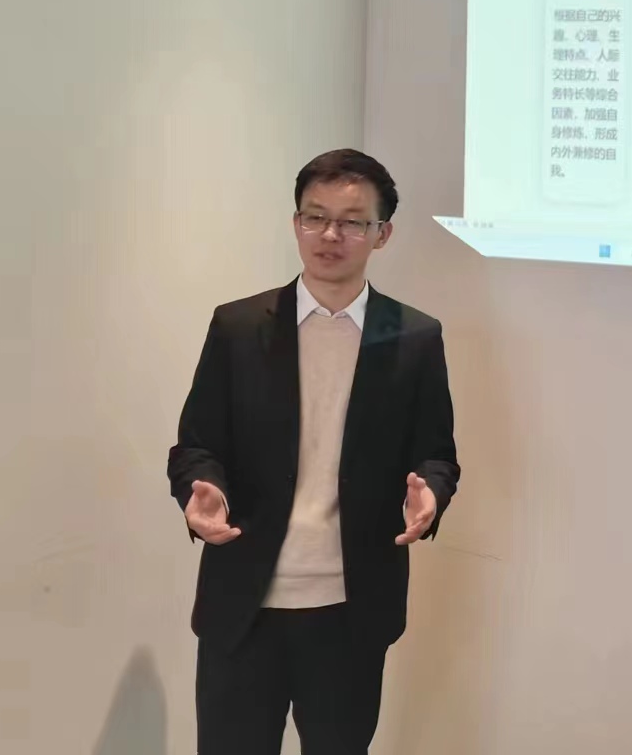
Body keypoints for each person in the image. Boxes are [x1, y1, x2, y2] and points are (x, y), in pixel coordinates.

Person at [168, 149, 459, 755]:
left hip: (350, 607)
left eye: (352, 222)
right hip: (243, 603)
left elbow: (436, 453)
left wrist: (430, 494)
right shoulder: (238, 327)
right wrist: (201, 490)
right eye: (315, 216)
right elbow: (196, 445)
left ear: (382, 234)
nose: (330, 235)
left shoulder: (413, 337)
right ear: (296, 222)